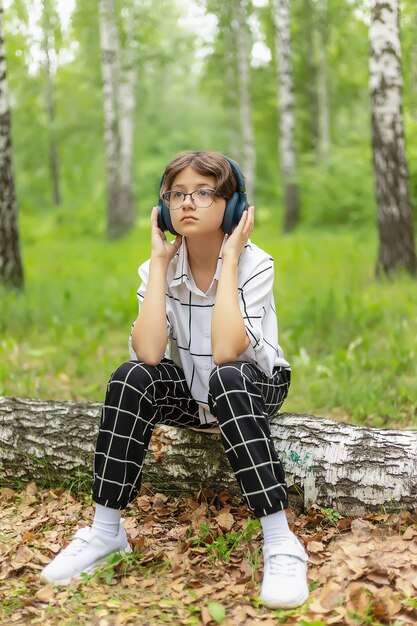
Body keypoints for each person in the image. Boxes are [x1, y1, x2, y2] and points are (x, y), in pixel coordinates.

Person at [41, 151, 309, 609]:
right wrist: (160, 265)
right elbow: (148, 354)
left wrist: (228, 261)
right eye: (177, 194)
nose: (188, 202)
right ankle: (106, 532)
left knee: (227, 376)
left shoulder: (255, 263)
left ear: (234, 206)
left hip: (250, 385)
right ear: (164, 208)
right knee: (129, 377)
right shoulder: (157, 269)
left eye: (204, 193)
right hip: (192, 387)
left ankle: (281, 542)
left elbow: (228, 351)